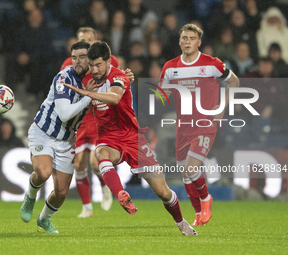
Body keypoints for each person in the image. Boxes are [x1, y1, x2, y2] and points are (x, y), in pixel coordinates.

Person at [64, 41, 197, 236]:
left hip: (133, 137)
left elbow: (115, 97)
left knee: (163, 193)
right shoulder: (87, 80)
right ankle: (120, 194)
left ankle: (181, 222)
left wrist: (87, 93)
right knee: (100, 153)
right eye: (91, 65)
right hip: (108, 137)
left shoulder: (119, 76)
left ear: (109, 62)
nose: (95, 69)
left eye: (99, 65)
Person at [159, 24, 239, 226]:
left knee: (191, 169)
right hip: (182, 127)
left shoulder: (212, 64)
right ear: (179, 41)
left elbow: (234, 82)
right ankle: (197, 213)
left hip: (205, 124)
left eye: (191, 38)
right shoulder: (170, 67)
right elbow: (161, 94)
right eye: (184, 38)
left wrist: (222, 106)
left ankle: (206, 199)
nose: (187, 41)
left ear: (199, 42)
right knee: (184, 174)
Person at [20, 41, 95, 233]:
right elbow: (64, 114)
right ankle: (30, 195)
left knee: (61, 192)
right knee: (43, 173)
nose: (78, 61)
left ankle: (44, 219)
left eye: (83, 57)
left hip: (67, 140)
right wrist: (88, 97)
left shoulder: (95, 79)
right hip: (43, 133)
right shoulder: (64, 77)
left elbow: (113, 81)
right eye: (74, 57)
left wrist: (125, 78)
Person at [61, 27, 134, 218]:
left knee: (95, 162)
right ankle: (87, 207)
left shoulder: (108, 61)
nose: (86, 44)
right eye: (82, 40)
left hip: (101, 116)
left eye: (89, 40)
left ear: (95, 41)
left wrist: (127, 78)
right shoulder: (69, 65)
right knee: (78, 164)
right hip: (81, 117)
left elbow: (118, 79)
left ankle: (105, 186)